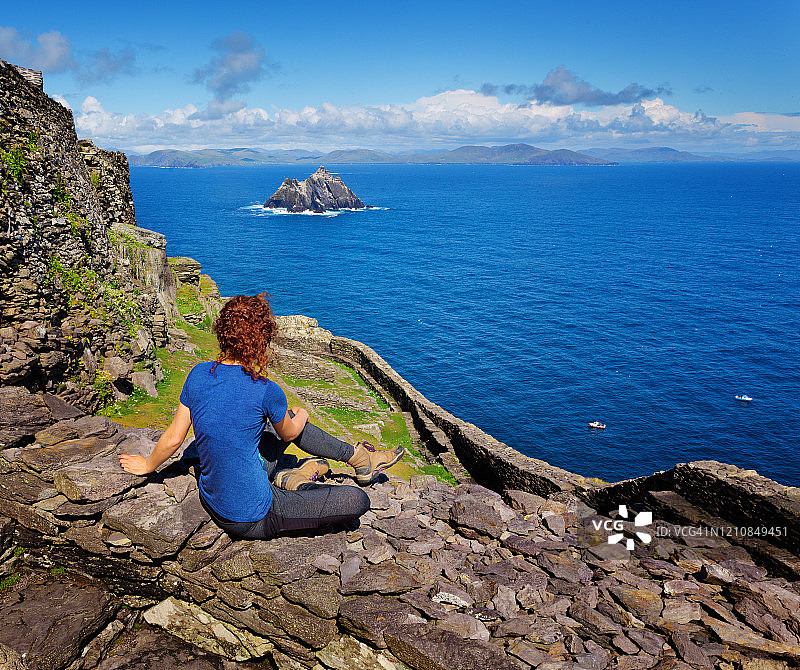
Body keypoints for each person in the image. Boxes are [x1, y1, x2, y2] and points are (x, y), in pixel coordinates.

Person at [118, 293, 404, 540]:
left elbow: (172, 439)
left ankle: (351, 460)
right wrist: (302, 415)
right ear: (262, 340)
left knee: (270, 426)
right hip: (253, 515)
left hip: (214, 496)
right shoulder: (265, 389)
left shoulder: (197, 374)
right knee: (356, 500)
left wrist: (147, 465)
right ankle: (302, 478)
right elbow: (291, 434)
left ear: (222, 332)